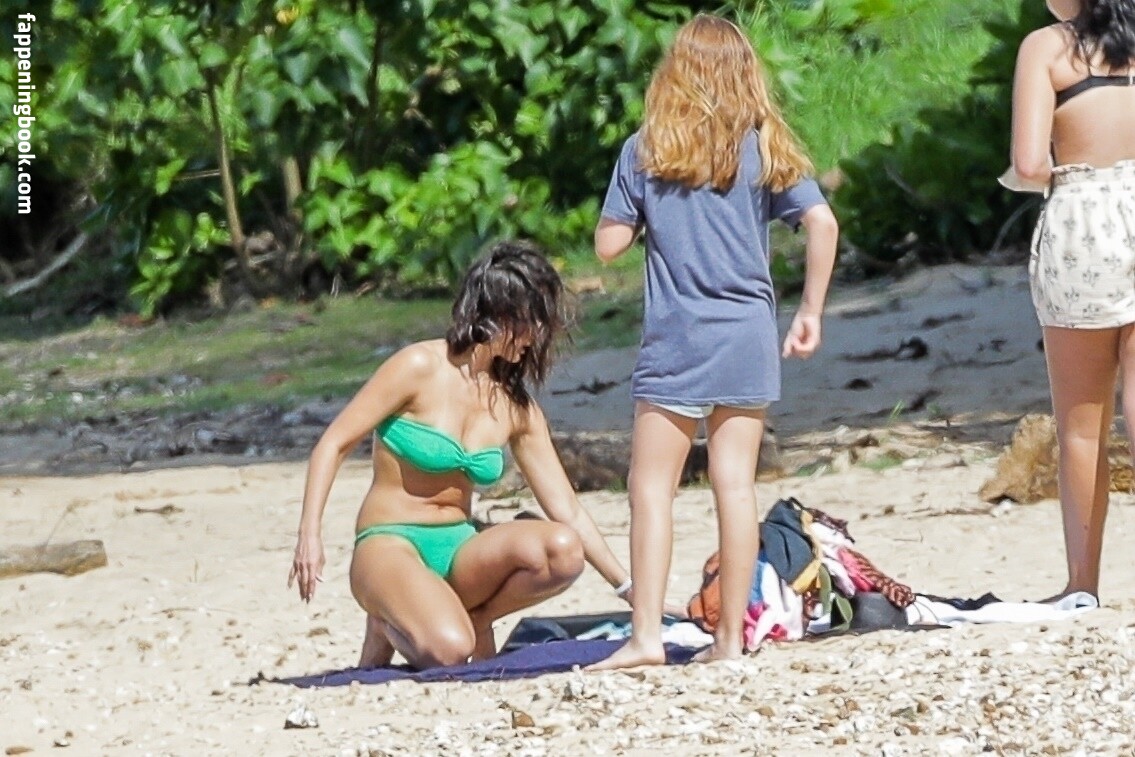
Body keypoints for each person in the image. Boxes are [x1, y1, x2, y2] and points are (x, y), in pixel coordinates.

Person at [587, 14, 839, 670]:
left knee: (651, 487)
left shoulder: (646, 148)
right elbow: (821, 221)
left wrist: (645, 218)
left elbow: (608, 245)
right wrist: (810, 310)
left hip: (677, 335)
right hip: (747, 331)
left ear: (674, 74)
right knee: (735, 484)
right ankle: (730, 639)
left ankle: (646, 636)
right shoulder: (763, 145)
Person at [288, 240, 638, 669]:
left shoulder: (517, 407)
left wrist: (629, 589)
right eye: (532, 324)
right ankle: (384, 623)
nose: (536, 339)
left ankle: (478, 616)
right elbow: (333, 443)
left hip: (460, 548)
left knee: (564, 550)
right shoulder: (418, 366)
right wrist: (309, 534)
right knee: (451, 651)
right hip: (390, 542)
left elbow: (568, 510)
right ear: (500, 315)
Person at [1011, 0, 1135, 602]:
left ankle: (1082, 585)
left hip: (1083, 220)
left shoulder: (1047, 47)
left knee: (1082, 428)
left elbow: (1030, 162)